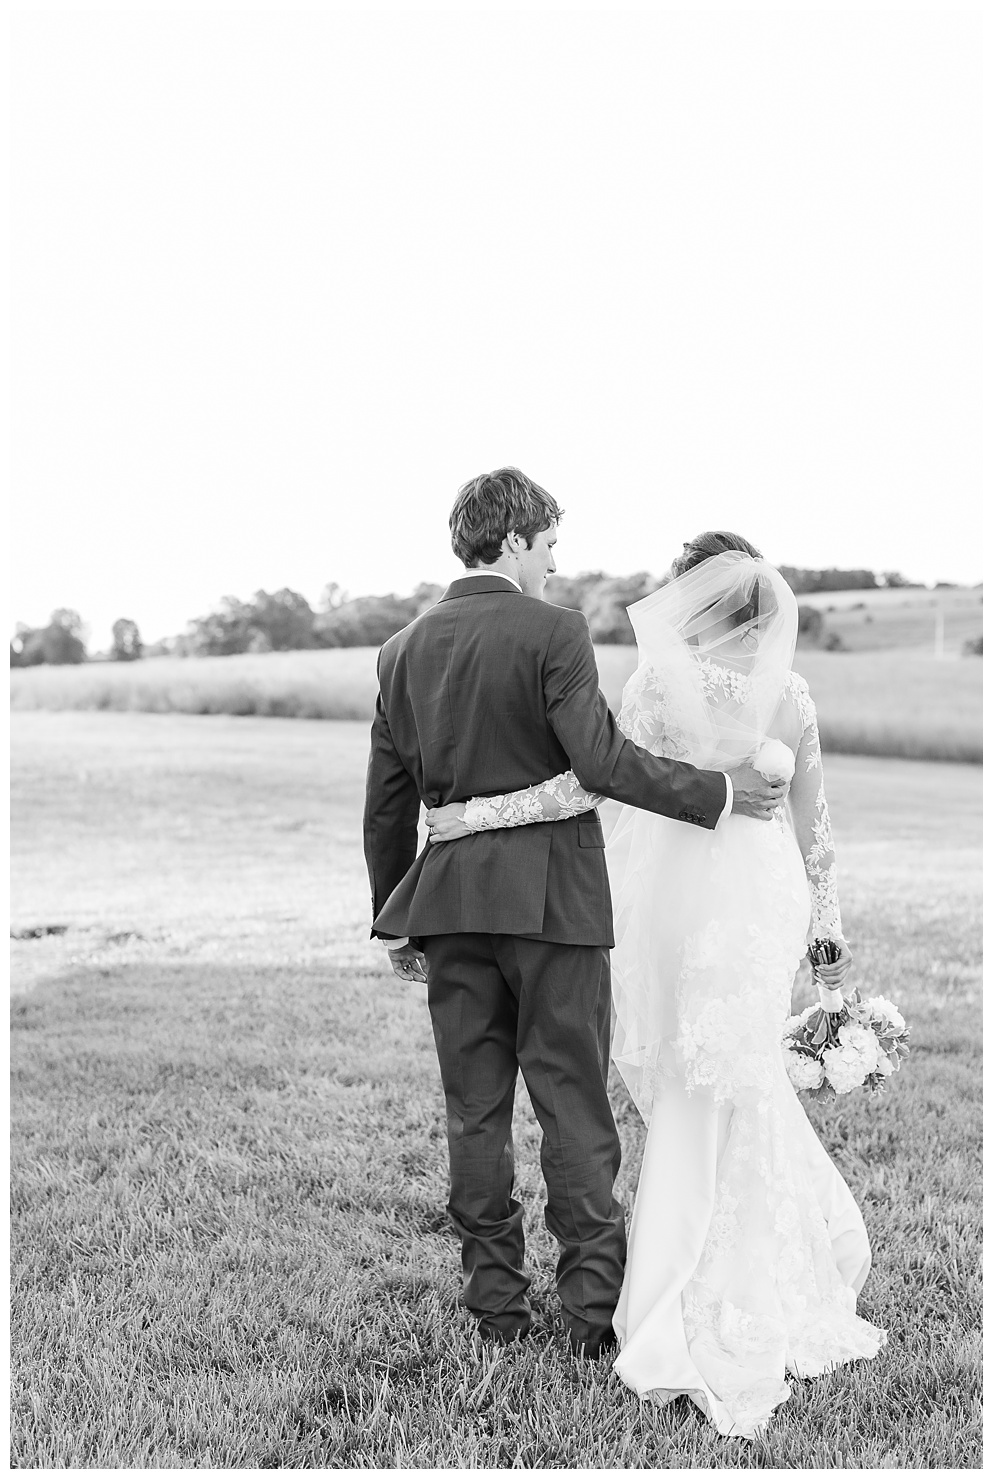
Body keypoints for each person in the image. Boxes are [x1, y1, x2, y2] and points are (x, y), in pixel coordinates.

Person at [425, 530, 886, 1436]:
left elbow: (585, 786)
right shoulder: (788, 695)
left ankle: (676, 1294)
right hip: (759, 908)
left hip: (697, 909)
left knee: (700, 1081)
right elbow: (813, 828)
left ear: (693, 599)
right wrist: (827, 933)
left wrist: (472, 815)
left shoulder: (655, 690)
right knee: (730, 1078)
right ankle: (768, 1265)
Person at [362, 473, 784, 1360]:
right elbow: (599, 760)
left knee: (471, 1111)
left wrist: (394, 915)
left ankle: (496, 1312)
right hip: (552, 901)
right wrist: (718, 790)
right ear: (514, 539)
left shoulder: (398, 650)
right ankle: (592, 1314)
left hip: (446, 907)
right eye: (550, 542)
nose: (557, 561)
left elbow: (385, 803)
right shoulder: (550, 630)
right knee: (572, 1105)